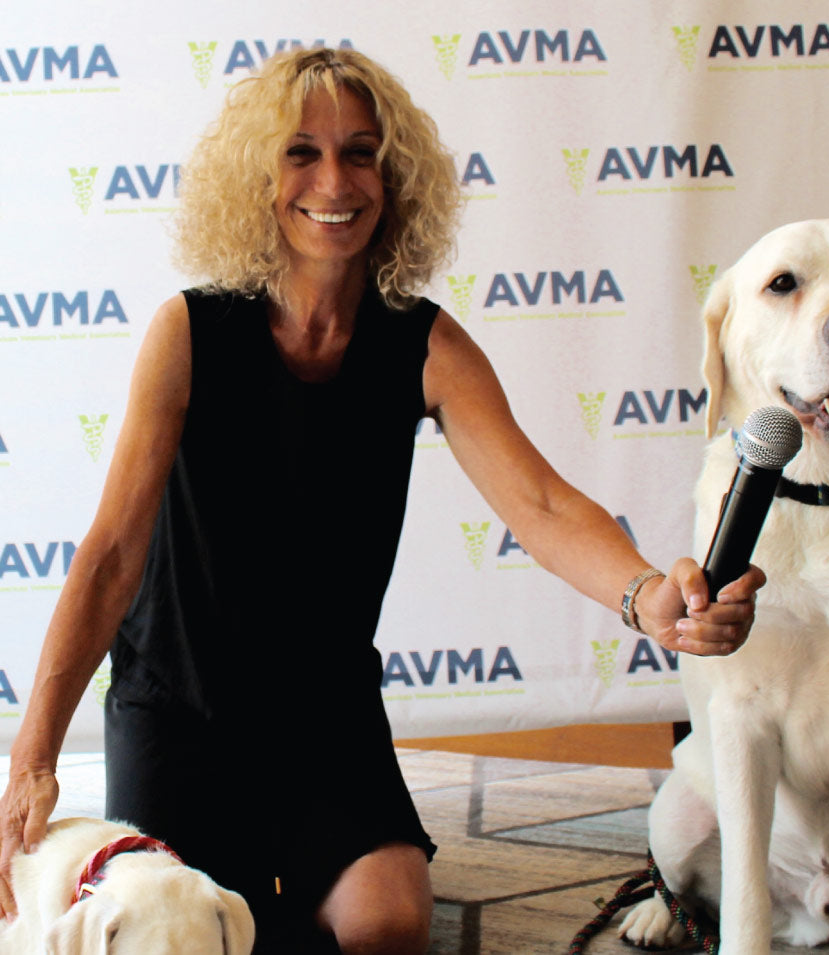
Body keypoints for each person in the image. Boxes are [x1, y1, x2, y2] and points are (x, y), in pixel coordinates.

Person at [0, 48, 765, 954]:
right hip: (179, 708)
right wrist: (34, 757)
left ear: (393, 176)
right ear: (259, 177)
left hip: (327, 713)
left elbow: (544, 506)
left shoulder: (424, 343)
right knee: (177, 926)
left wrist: (649, 596)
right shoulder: (190, 331)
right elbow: (111, 556)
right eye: (301, 152)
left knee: (387, 926)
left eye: (360, 153)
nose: (334, 182)